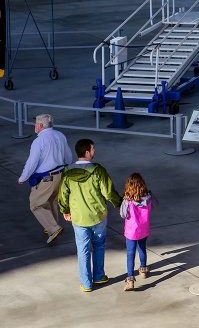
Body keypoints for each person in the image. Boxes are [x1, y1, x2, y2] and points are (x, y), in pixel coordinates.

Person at [58, 139, 122, 292]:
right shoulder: (98, 170)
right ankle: (99, 276)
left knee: (83, 250)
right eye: (93, 149)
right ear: (87, 152)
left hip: (79, 218)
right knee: (99, 245)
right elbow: (108, 192)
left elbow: (63, 194)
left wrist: (65, 210)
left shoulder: (67, 172)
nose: (94, 151)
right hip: (98, 215)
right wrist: (119, 203)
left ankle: (86, 283)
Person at [18, 114, 72, 244]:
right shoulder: (60, 135)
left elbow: (32, 163)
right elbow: (68, 157)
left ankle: (53, 229)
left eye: (36, 124)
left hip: (46, 178)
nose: (35, 126)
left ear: (40, 126)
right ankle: (50, 226)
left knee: (35, 204)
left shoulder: (39, 141)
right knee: (51, 200)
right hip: (59, 174)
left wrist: (23, 178)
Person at [119, 172, 155, 291]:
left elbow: (123, 214)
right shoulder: (148, 197)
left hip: (131, 231)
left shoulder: (127, 201)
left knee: (130, 254)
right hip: (143, 229)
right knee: (142, 249)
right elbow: (155, 204)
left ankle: (130, 279)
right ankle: (143, 269)